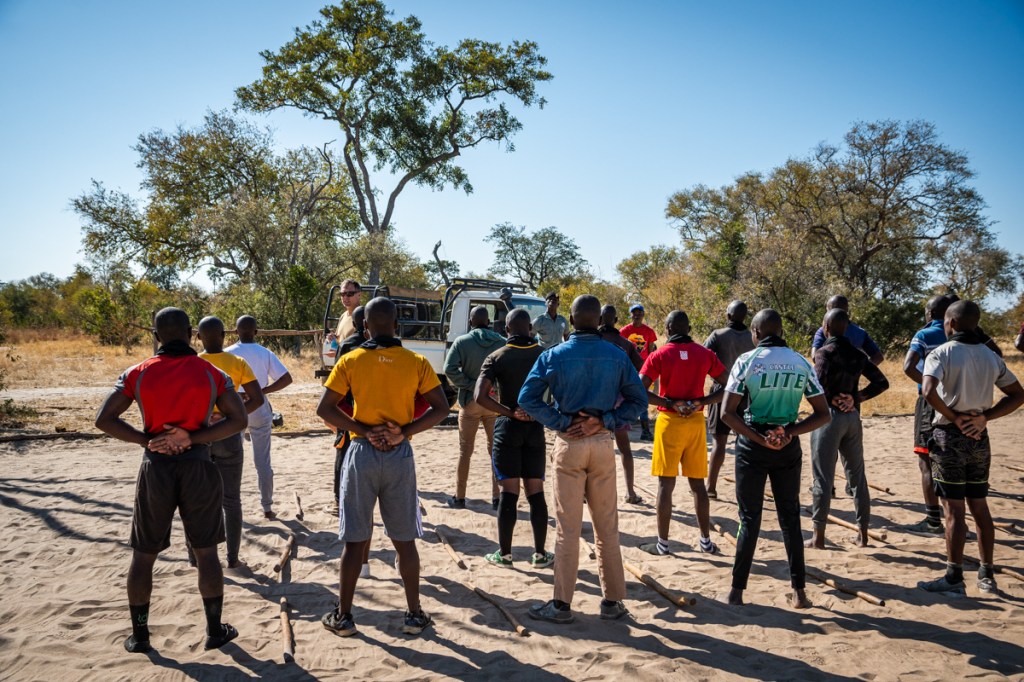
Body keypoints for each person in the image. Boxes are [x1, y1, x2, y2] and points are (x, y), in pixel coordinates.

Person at [94, 307, 246, 653]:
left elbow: (104, 419)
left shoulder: (138, 372)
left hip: (156, 467)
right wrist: (193, 438)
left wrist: (147, 440)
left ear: (156, 335)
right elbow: (238, 420)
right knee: (207, 553)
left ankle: (141, 635)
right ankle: (214, 630)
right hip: (198, 466)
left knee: (144, 555)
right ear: (192, 334)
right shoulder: (211, 372)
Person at [316, 297, 449, 637]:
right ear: (397, 325)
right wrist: (404, 431)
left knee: (354, 541)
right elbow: (441, 408)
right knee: (405, 540)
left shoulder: (352, 359)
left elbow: (325, 409)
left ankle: (344, 617)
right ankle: (414, 614)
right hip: (399, 454)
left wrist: (363, 430)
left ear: (365, 327)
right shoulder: (415, 362)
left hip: (361, 452)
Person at [519, 295, 648, 624]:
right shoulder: (617, 354)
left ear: (571, 322)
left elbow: (527, 398)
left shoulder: (554, 354)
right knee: (607, 528)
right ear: (598, 320)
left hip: (570, 444)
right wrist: (606, 419)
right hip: (603, 444)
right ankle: (612, 601)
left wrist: (562, 422)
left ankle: (562, 605)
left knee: (567, 529)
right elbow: (639, 399)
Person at [720, 309, 831, 609]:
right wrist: (789, 433)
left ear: (755, 333)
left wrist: (760, 438)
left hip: (752, 448)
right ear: (780, 332)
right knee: (791, 518)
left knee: (749, 518)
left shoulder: (747, 361)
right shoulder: (800, 362)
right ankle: (799, 592)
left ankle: (736, 592)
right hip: (787, 449)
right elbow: (824, 414)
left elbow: (727, 413)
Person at [918, 301, 1024, 596]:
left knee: (953, 510)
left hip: (948, 437)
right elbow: (1017, 395)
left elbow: (928, 391)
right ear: (976, 325)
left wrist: (954, 418)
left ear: (949, 323)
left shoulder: (940, 353)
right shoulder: (991, 357)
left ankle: (953, 576)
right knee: (980, 505)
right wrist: (984, 417)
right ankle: (987, 573)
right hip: (979, 437)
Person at [638, 310, 730, 557]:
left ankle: (663, 545)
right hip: (696, 422)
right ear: (688, 329)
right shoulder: (705, 354)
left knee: (665, 485)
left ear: (667, 329)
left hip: (669, 422)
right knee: (698, 485)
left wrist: (668, 403)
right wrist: (703, 400)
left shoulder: (659, 355)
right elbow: (728, 384)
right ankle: (706, 542)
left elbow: (639, 389)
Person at [473, 309, 554, 568]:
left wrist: (510, 411)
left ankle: (505, 555)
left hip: (507, 427)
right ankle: (540, 555)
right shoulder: (544, 355)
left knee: (508, 492)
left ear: (506, 330)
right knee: (536, 491)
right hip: (535, 427)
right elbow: (557, 390)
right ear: (530, 328)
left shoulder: (497, 357)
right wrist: (538, 411)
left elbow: (480, 397)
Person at [806, 309, 889, 549]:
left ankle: (818, 537)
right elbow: (882, 383)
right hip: (852, 417)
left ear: (826, 328)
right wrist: (855, 398)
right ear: (847, 328)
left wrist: (831, 399)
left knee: (822, 476)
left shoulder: (824, 353)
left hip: (828, 419)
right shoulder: (858, 354)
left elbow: (817, 385)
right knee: (857, 475)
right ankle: (863, 534)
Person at [192, 316, 266, 569]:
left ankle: (195, 558)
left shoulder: (192, 364)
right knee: (231, 500)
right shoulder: (237, 362)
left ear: (198, 337)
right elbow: (257, 399)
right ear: (225, 335)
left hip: (198, 436)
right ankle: (233, 559)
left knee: (196, 500)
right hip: (229, 435)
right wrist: (233, 414)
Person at [225, 315, 292, 521]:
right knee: (262, 460)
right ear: (256, 332)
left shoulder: (228, 354)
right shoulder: (265, 353)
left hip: (233, 407)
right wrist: (262, 391)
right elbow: (286, 378)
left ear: (236, 332)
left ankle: (228, 506)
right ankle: (267, 506)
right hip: (259, 406)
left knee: (228, 458)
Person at [443, 306, 505, 509]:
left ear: (470, 322)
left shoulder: (462, 342)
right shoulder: (500, 342)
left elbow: (448, 368)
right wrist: (492, 387)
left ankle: (460, 497)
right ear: (488, 322)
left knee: (465, 451)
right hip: (493, 402)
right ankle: (497, 498)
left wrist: (471, 385)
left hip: (470, 401)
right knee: (495, 450)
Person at [703, 300, 755, 498]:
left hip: (722, 391)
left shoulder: (718, 335)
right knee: (744, 439)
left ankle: (710, 487)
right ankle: (745, 487)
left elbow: (703, 357)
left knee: (719, 441)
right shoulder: (752, 338)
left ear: (728, 316)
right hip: (747, 392)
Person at [598, 304, 645, 504]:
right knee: (624, 448)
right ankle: (630, 492)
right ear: (616, 321)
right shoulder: (625, 344)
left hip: (594, 400)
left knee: (594, 447)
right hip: (619, 402)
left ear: (599, 320)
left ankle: (586, 492)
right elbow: (641, 369)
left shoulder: (593, 341)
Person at [328, 305, 366, 516]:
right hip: (369, 405)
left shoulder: (349, 345)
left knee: (343, 452)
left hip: (348, 407)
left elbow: (337, 377)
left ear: (355, 324)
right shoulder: (380, 346)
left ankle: (338, 500)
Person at [620, 304, 658, 441]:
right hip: (628, 367)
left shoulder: (649, 332)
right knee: (624, 397)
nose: (637, 315)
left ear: (643, 315)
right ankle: (622, 428)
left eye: (639, 313)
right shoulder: (624, 331)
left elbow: (650, 352)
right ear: (630, 315)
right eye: (634, 313)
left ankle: (645, 430)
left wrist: (650, 370)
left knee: (642, 397)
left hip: (643, 368)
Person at [811, 295, 884, 365]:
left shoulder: (825, 330)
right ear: (847, 309)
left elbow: (814, 356)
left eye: (827, 310)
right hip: (852, 377)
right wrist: (860, 369)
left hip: (827, 376)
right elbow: (878, 357)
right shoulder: (860, 332)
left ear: (831, 311)